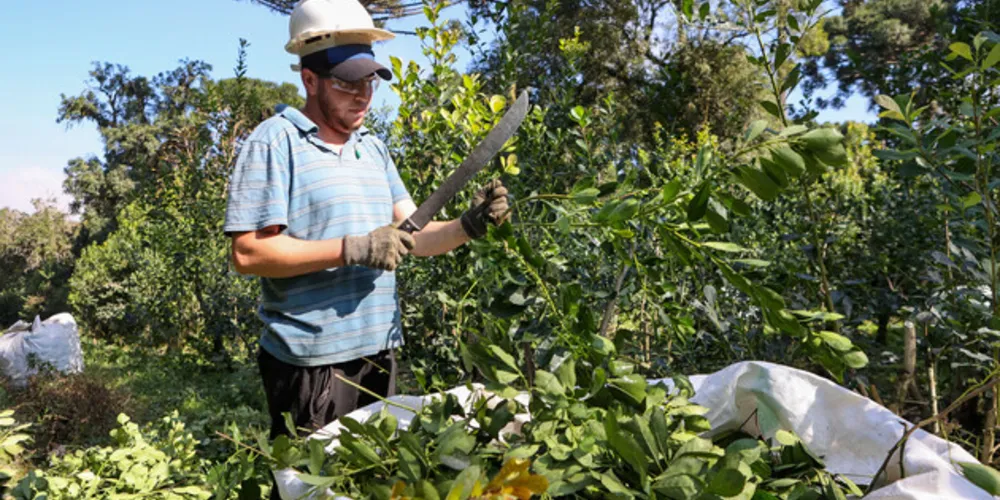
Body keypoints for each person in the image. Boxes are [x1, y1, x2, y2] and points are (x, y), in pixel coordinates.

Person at [222, 0, 509, 492]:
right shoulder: (275, 143)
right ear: (310, 80)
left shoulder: (372, 149)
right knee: (312, 488)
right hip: (312, 364)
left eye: (370, 82)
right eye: (346, 83)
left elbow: (412, 236)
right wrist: (352, 248)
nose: (362, 96)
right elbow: (248, 253)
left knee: (372, 484)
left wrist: (467, 225)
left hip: (378, 354)